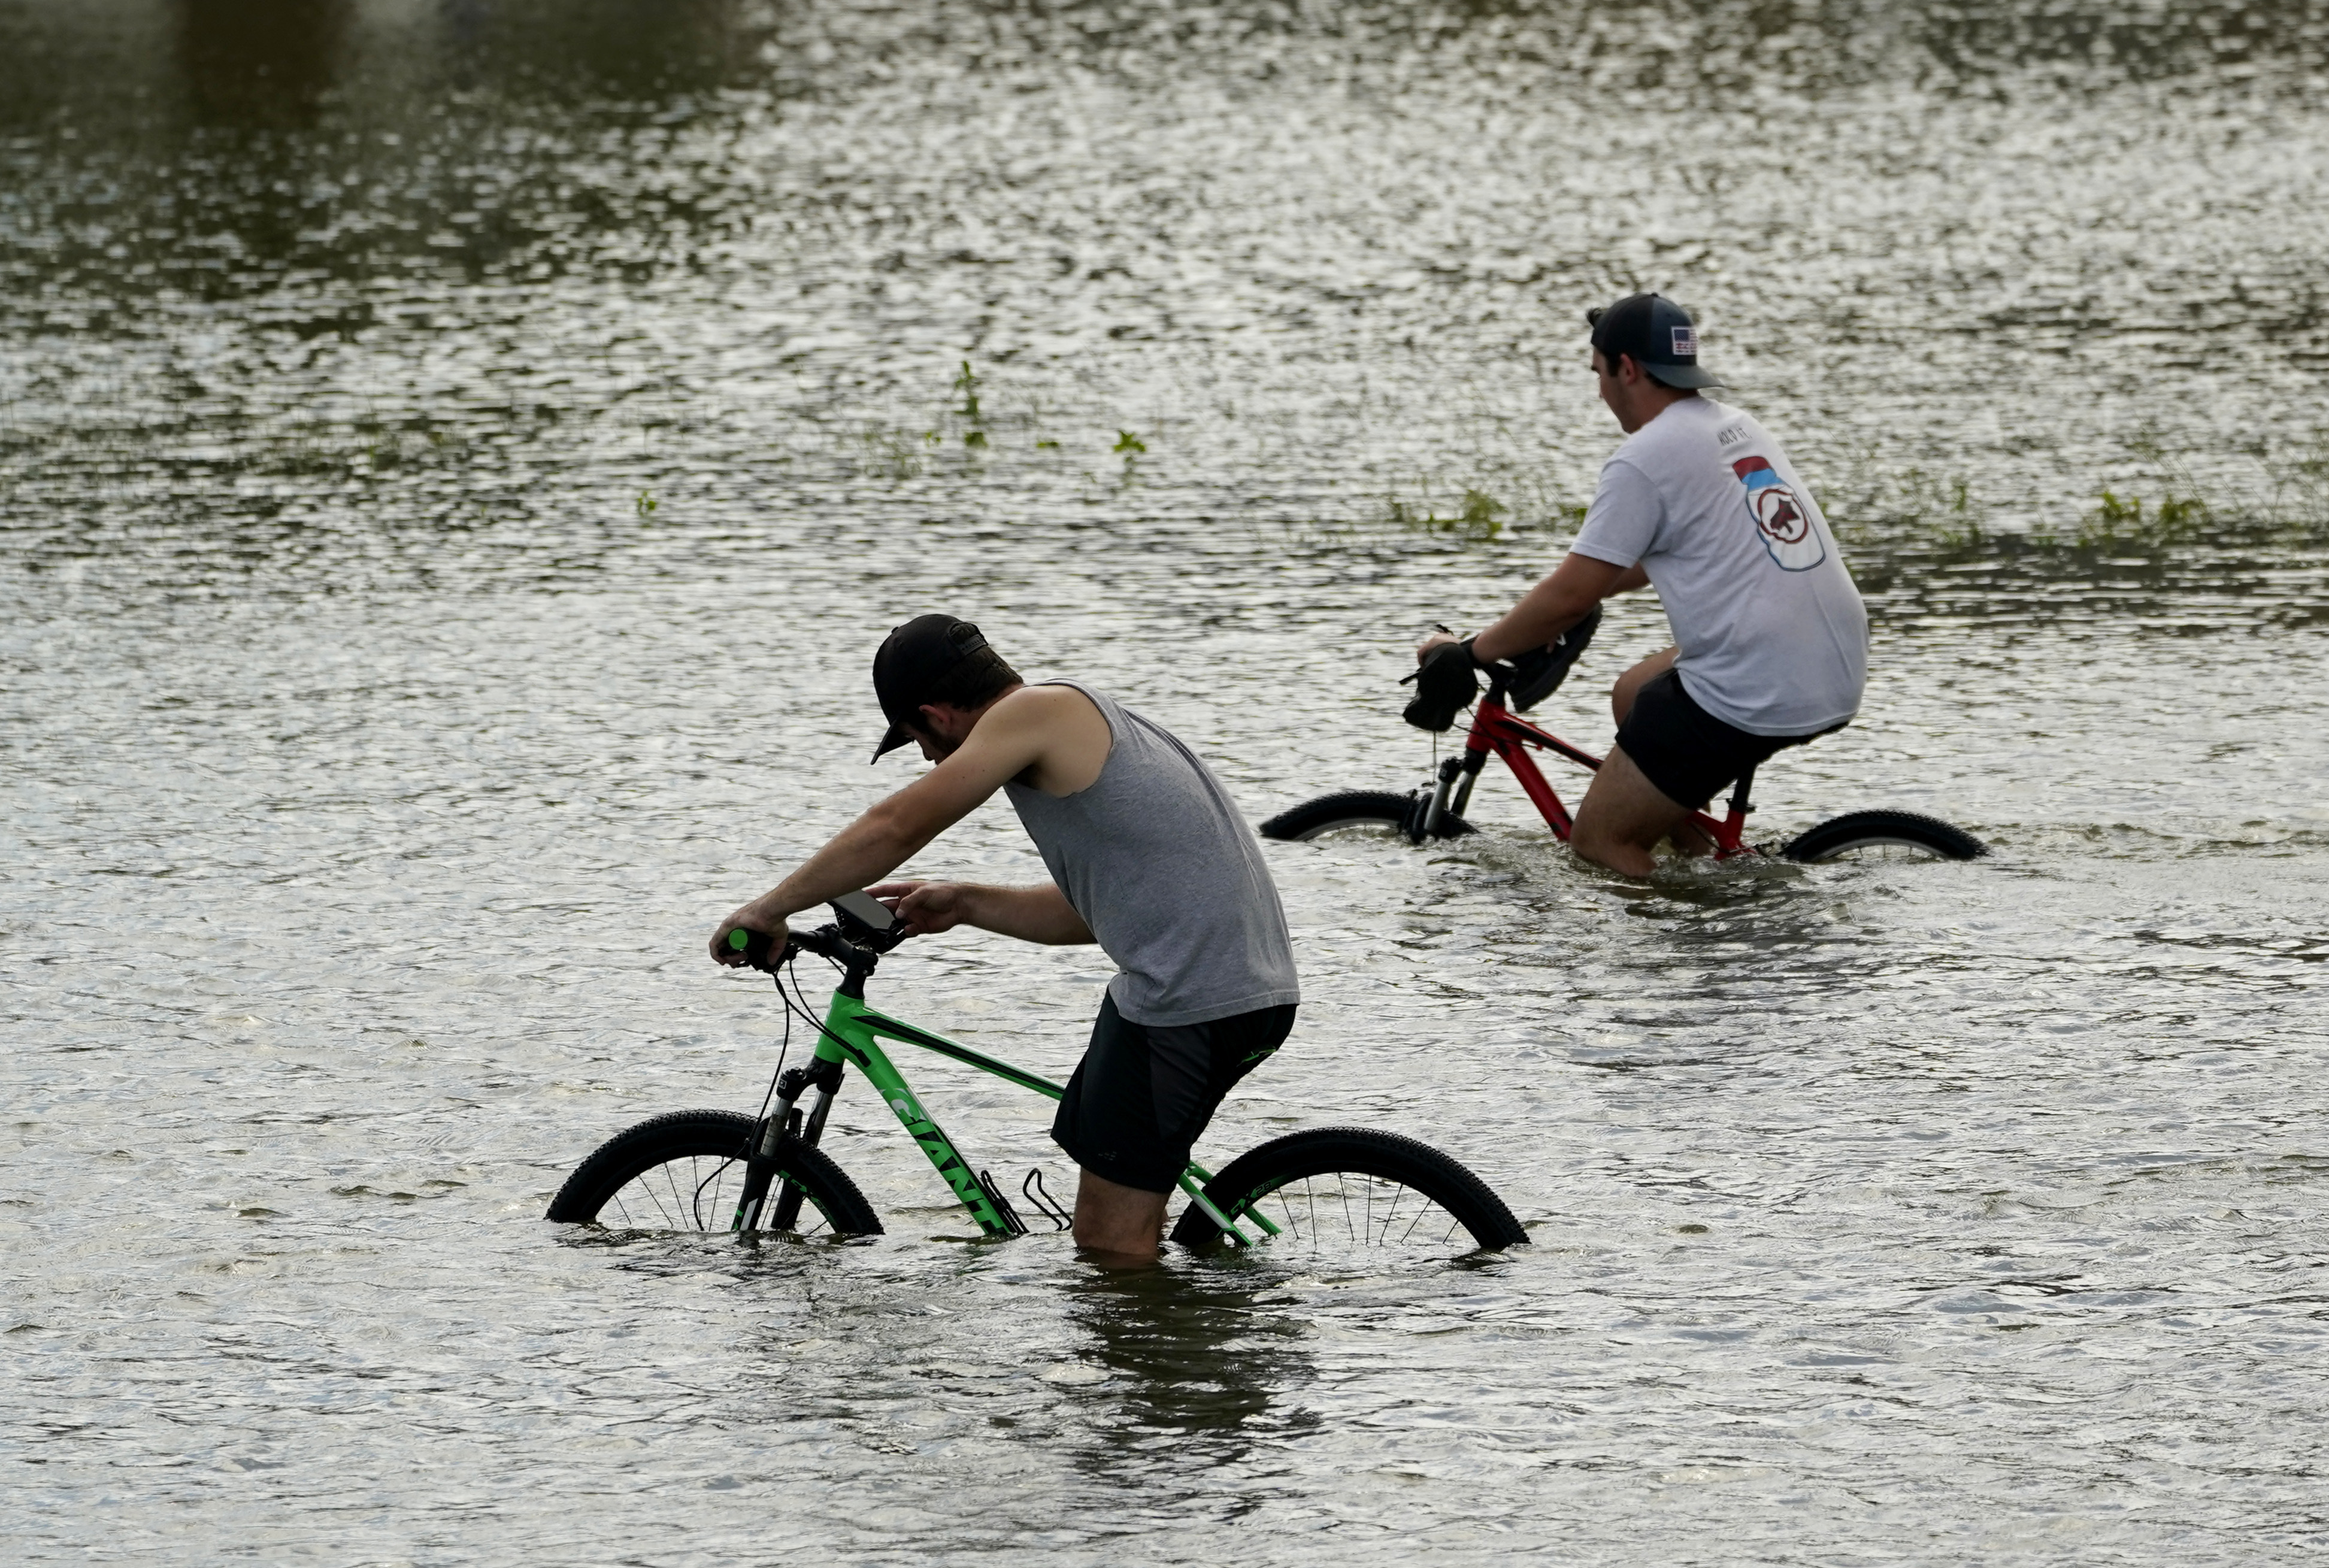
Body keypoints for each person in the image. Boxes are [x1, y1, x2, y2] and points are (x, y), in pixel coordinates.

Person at [709, 615, 1300, 1261]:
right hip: (1241, 991)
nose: (934, 761)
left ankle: (1165, 1353)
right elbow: (1100, 915)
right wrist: (964, 903)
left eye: (918, 743)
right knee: (1116, 1202)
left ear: (934, 714)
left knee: (1108, 1245)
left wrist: (766, 909)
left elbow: (896, 825)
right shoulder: (1077, 723)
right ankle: (1179, 1327)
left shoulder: (1036, 711)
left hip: (1186, 1002)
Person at [1413, 293, 1868, 877]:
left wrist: (1471, 653)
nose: (1600, 392)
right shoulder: (1733, 427)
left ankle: (1678, 935)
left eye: (1597, 373)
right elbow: (1619, 571)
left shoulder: (1645, 458)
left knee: (1597, 839)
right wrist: (1536, 615)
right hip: (1830, 657)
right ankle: (1705, 859)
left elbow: (1574, 594)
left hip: (1762, 679)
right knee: (1634, 694)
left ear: (1626, 368)